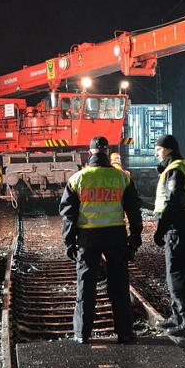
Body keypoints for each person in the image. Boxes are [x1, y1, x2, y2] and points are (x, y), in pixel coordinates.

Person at [59, 136, 142, 344]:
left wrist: (69, 242)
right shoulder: (122, 178)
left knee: (86, 286)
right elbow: (134, 211)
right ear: (107, 153)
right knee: (119, 287)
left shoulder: (78, 178)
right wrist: (135, 238)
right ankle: (125, 333)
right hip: (116, 236)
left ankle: (82, 334)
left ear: (89, 153)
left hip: (88, 238)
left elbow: (68, 214)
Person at [153, 134, 185, 337]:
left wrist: (161, 228)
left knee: (178, 275)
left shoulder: (174, 170)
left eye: (157, 149)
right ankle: (178, 317)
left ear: (166, 149)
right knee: (180, 273)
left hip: (178, 227)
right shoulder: (183, 166)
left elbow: (174, 202)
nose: (156, 153)